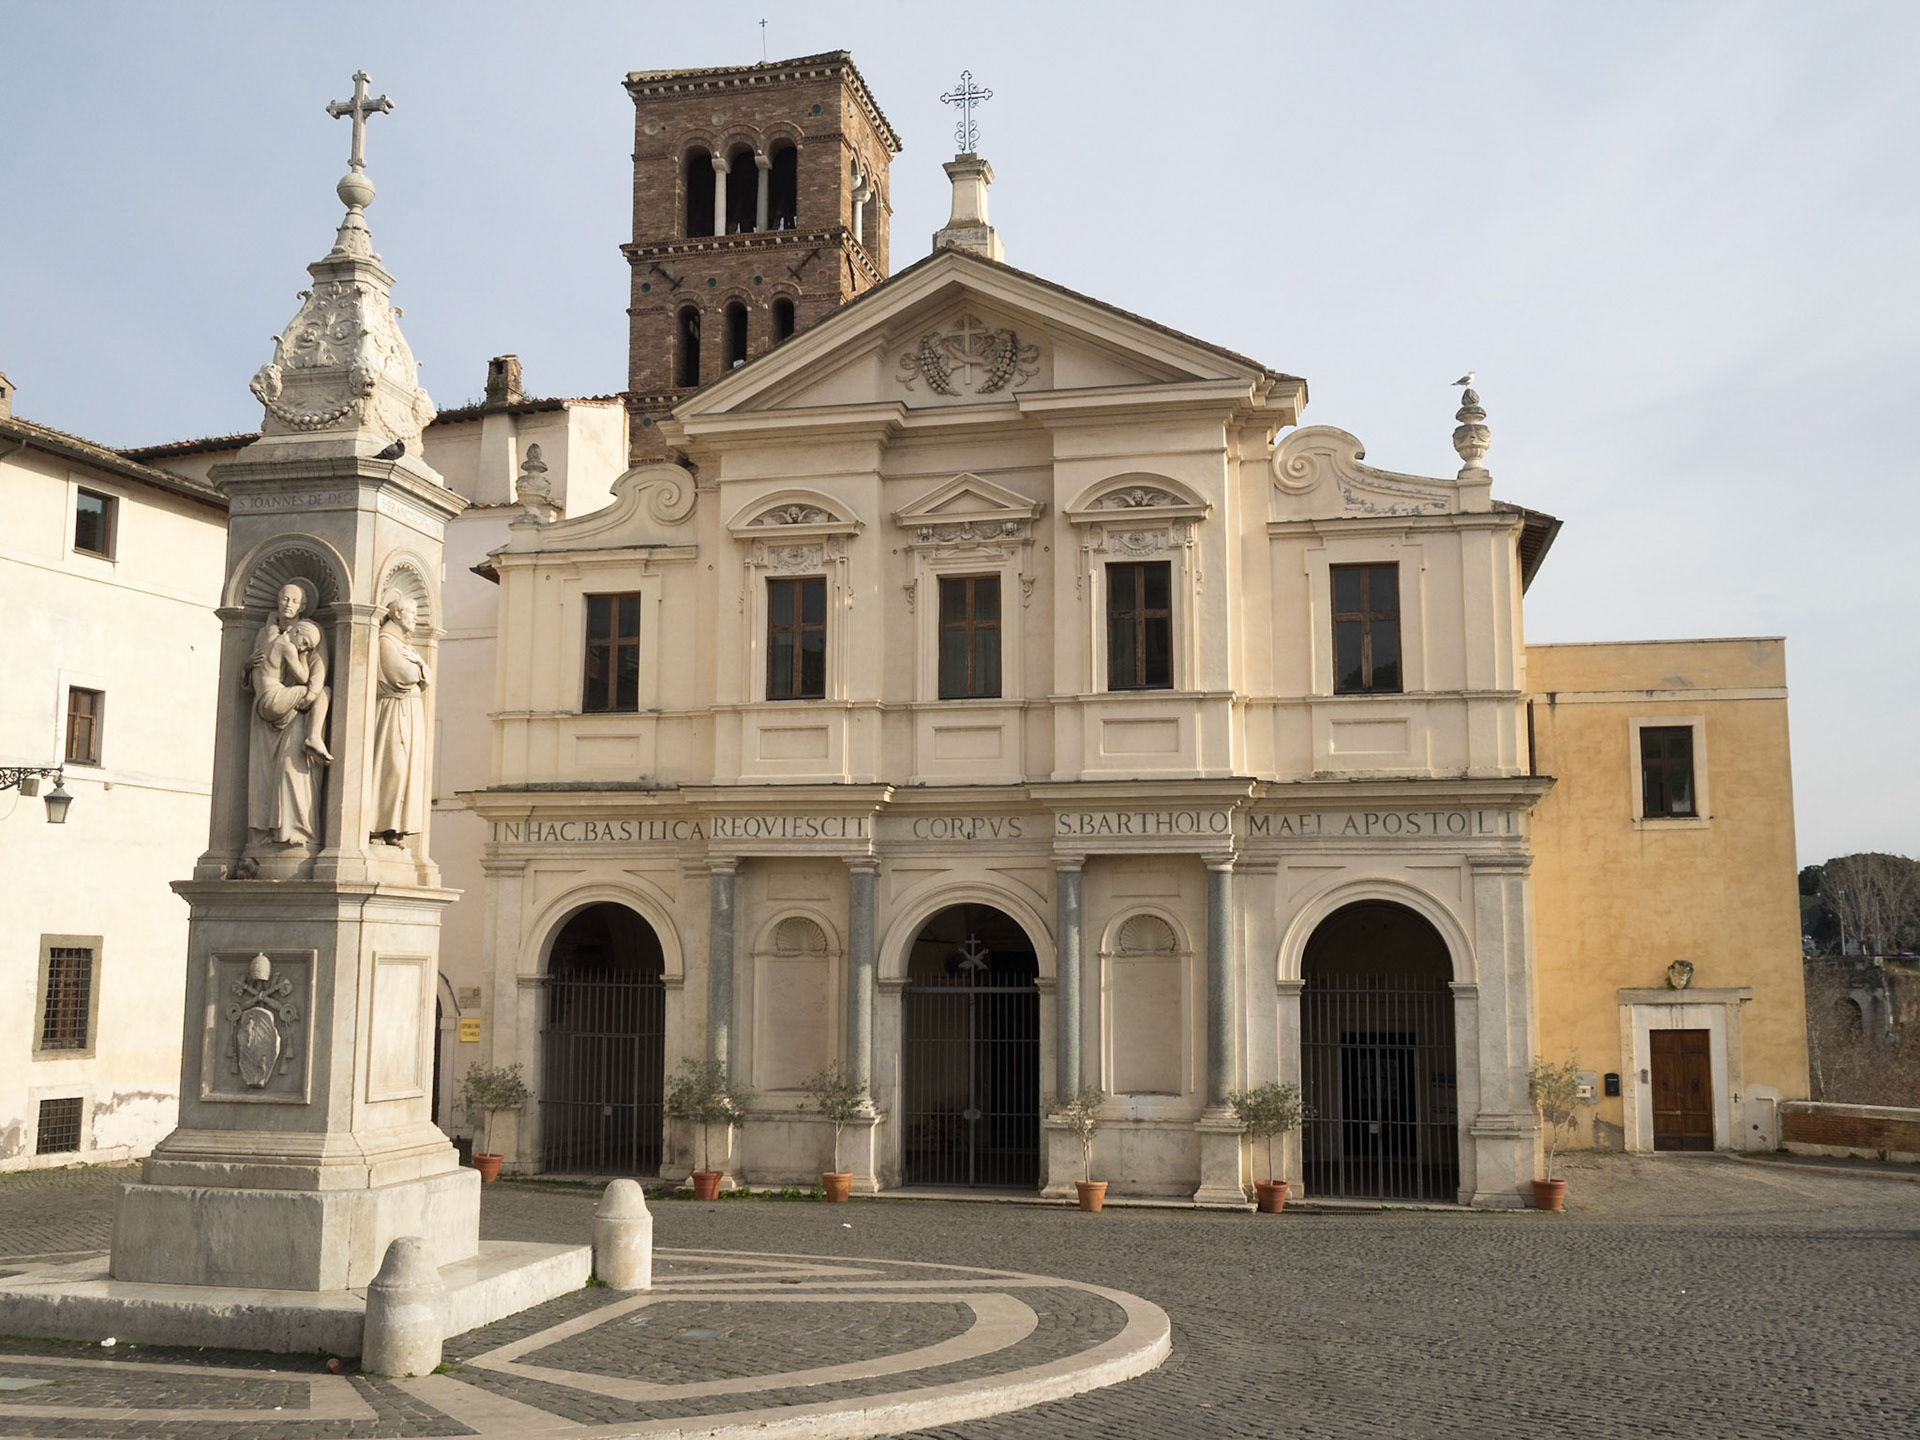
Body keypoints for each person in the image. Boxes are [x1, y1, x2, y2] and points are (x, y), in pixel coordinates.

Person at [245, 583, 330, 846]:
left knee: (290, 771)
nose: (288, 604)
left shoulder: (311, 633)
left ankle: (290, 830)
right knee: (263, 775)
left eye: (294, 601)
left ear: (303, 606)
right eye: (284, 599)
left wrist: (310, 695)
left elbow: (318, 673)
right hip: (272, 708)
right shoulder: (269, 635)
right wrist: (247, 666)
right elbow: (256, 672)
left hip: (293, 713)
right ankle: (265, 833)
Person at [370, 596, 430, 843]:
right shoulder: (386, 641)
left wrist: (419, 666)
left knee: (407, 771)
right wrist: (418, 665)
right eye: (411, 613)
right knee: (394, 766)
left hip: (408, 711)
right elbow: (403, 676)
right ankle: (381, 823)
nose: (415, 618)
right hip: (394, 711)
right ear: (396, 614)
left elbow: (427, 676)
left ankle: (394, 825)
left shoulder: (404, 644)